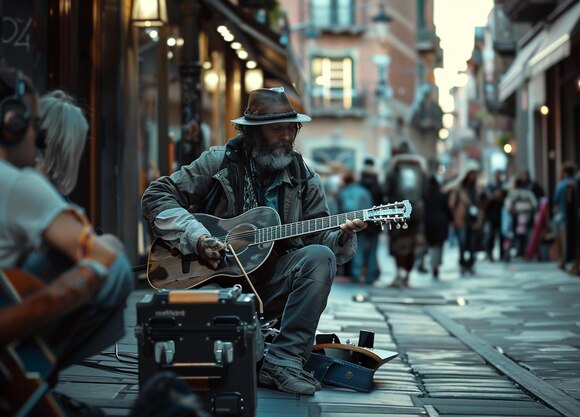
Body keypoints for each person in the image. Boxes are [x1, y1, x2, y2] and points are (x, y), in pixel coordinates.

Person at [141, 87, 366, 396]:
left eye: (292, 128)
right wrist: (197, 237)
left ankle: (284, 362)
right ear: (253, 133)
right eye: (277, 129)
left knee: (319, 257)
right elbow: (156, 195)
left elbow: (319, 238)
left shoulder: (305, 177)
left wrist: (343, 233)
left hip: (271, 283)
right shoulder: (218, 162)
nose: (287, 136)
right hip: (212, 281)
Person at [0, 69, 134, 412]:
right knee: (115, 265)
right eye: (34, 127)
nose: (38, 137)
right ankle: (32, 376)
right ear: (12, 124)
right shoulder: (18, 184)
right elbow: (104, 255)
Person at [384, 143, 427, 287]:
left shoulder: (394, 168)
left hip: (396, 212)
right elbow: (425, 193)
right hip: (417, 214)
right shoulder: (420, 169)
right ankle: (407, 276)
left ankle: (398, 273)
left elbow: (386, 189)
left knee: (397, 244)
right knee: (413, 246)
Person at [445, 160, 482, 275]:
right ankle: (462, 263)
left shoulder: (476, 189)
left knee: (472, 244)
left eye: (475, 174)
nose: (473, 176)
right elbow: (451, 204)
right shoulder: (459, 188)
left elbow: (479, 203)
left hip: (473, 220)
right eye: (471, 174)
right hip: (461, 220)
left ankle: (470, 264)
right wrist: (452, 218)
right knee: (462, 243)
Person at [337, 170, 373, 283]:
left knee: (353, 248)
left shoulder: (343, 192)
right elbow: (369, 206)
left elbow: (341, 208)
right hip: (364, 222)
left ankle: (356, 274)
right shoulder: (364, 191)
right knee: (365, 249)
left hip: (346, 223)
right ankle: (368, 276)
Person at [358, 158, 384, 283]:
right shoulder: (378, 186)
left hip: (360, 221)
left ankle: (356, 274)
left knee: (359, 248)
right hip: (375, 224)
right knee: (373, 250)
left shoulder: (359, 184)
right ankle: (371, 276)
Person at [424, 175, 451, 278]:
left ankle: (433, 264)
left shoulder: (426, 196)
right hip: (441, 222)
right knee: (439, 245)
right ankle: (436, 264)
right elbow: (447, 209)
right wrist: (450, 219)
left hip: (429, 222)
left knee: (431, 245)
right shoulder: (442, 195)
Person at [504, 177, 538, 258]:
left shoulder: (512, 193)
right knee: (526, 235)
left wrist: (512, 211)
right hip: (527, 216)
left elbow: (507, 206)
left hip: (517, 216)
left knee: (514, 235)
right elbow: (535, 204)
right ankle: (526, 252)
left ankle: (510, 252)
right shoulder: (529, 193)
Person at [553, 162, 576, 269]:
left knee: (562, 239)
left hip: (563, 215)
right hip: (577, 216)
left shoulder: (561, 185)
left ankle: (563, 260)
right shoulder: (576, 183)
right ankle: (574, 259)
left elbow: (555, 201)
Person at [481, 169, 506, 261]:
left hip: (500, 215)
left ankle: (502, 253)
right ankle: (490, 253)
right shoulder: (490, 187)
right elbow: (484, 199)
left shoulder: (503, 186)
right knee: (491, 235)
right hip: (491, 215)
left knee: (501, 235)